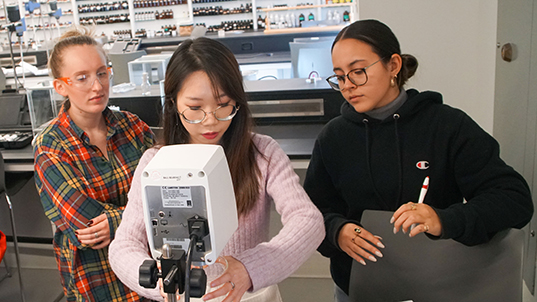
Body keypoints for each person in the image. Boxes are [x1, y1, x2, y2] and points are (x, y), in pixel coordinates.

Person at [303, 19, 534, 301]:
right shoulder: (333, 138)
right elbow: (312, 213)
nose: (348, 85)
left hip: (440, 283)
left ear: (394, 65)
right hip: (360, 288)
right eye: (340, 77)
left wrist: (443, 220)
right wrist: (337, 231)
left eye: (358, 71)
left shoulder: (447, 125)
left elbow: (514, 200)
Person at [108, 37, 325, 302]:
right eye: (196, 108)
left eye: (223, 105)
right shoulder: (155, 162)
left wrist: (250, 267)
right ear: (174, 103)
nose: (211, 120)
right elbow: (123, 245)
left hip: (250, 295)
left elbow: (308, 221)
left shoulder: (262, 153)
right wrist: (161, 282)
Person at [34, 26, 155, 301]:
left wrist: (113, 220)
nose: (97, 86)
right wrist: (140, 216)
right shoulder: (51, 146)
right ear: (61, 87)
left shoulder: (133, 128)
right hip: (97, 281)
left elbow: (165, 198)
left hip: (147, 271)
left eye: (102, 73)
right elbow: (87, 228)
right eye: (82, 78)